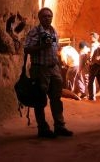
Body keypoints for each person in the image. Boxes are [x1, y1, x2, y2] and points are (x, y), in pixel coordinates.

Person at [24, 7, 73, 138]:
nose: (47, 18)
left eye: (49, 16)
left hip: (53, 68)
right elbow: (27, 49)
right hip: (40, 69)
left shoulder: (53, 31)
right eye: (44, 16)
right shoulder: (34, 32)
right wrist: (41, 47)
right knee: (39, 99)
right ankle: (43, 128)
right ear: (39, 18)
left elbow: (55, 49)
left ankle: (59, 126)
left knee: (56, 98)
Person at [88, 32, 100, 101]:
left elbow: (91, 54)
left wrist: (89, 61)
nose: (90, 38)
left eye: (91, 37)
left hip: (94, 65)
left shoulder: (93, 45)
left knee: (90, 81)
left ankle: (91, 97)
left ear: (94, 37)